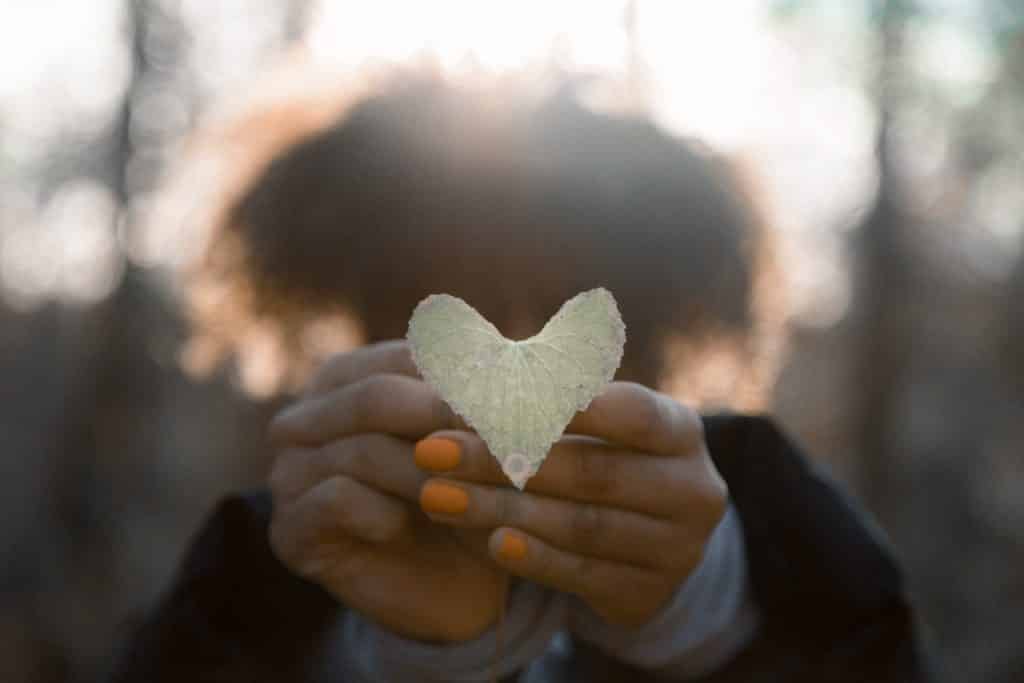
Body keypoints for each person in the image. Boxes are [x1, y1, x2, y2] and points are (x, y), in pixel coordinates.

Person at [110, 74, 931, 682]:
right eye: (439, 299)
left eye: (566, 300)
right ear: (360, 325)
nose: (510, 340)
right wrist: (403, 650)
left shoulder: (798, 559)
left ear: (649, 341)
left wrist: (700, 615)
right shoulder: (251, 583)